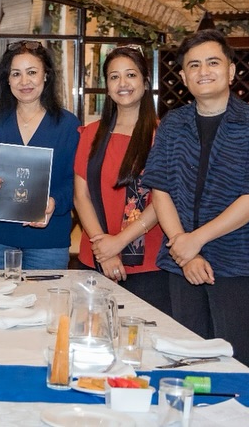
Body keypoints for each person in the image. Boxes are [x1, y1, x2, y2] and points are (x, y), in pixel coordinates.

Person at [141, 29, 249, 371]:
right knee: (186, 357)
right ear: (184, 76)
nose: (203, 71)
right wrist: (182, 245)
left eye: (213, 62)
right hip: (181, 263)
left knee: (236, 361)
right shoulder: (173, 124)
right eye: (194, 65)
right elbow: (160, 188)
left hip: (237, 263)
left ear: (231, 71)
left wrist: (195, 241)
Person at [73, 46, 170, 313]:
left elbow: (163, 201)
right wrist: (103, 247)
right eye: (114, 77)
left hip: (148, 265)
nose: (123, 83)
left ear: (145, 82)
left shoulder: (163, 135)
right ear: (107, 86)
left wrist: (118, 242)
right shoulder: (91, 133)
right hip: (95, 258)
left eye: (131, 75)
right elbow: (81, 196)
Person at [0, 41, 79, 270]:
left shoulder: (68, 125)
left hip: (49, 240)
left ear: (46, 75)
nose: (24, 81)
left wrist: (55, 201)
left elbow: (76, 182)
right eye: (16, 74)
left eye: (32, 72)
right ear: (7, 79)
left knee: (46, 296)